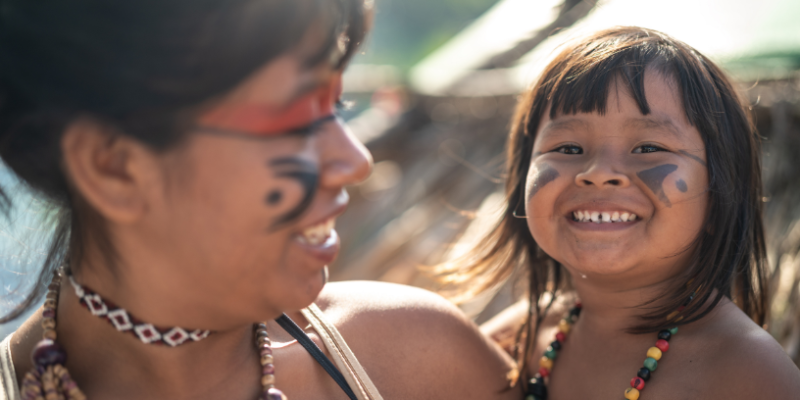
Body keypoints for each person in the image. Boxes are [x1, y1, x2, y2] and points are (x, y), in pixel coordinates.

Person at [0, 1, 520, 399]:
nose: (356, 160)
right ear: (112, 167)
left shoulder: (417, 362)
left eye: (337, 105)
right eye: (294, 120)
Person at [440, 27, 800, 399]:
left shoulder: (748, 373)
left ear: (719, 194)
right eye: (567, 147)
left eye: (647, 147)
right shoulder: (520, 338)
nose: (598, 173)